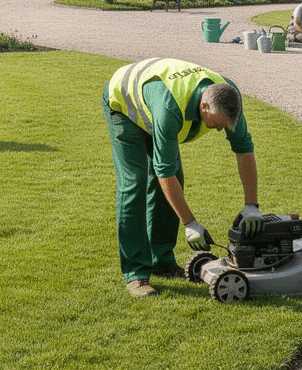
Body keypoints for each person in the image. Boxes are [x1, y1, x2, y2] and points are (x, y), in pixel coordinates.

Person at [102, 58, 260, 297]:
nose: (219, 130)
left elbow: (244, 148)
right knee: (134, 184)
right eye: (217, 124)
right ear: (205, 107)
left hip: (156, 99)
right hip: (124, 102)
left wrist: (252, 206)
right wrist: (190, 224)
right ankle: (136, 274)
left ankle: (162, 263)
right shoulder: (170, 108)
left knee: (173, 178)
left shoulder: (228, 95)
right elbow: (164, 170)